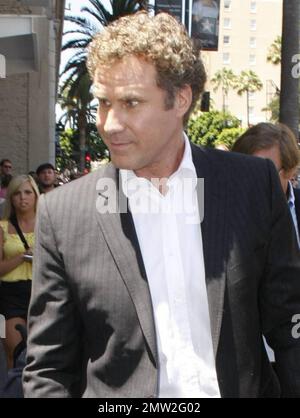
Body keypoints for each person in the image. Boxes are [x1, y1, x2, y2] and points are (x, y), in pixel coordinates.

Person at [23, 12, 300, 398]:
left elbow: (289, 323)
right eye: (103, 103)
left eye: (131, 103)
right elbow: (49, 369)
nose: (110, 123)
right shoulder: (64, 214)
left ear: (181, 99)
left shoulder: (251, 185)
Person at [232, 122, 300, 249]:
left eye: (264, 173)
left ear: (289, 171)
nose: (252, 182)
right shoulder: (225, 211)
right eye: (245, 172)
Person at [0, 175, 39, 370]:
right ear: (11, 198)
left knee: (39, 355)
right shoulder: (2, 227)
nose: (22, 197)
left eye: (27, 192)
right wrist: (23, 256)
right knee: (13, 353)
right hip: (9, 296)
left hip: (42, 291)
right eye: (16, 193)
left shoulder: (47, 224)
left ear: (35, 196)